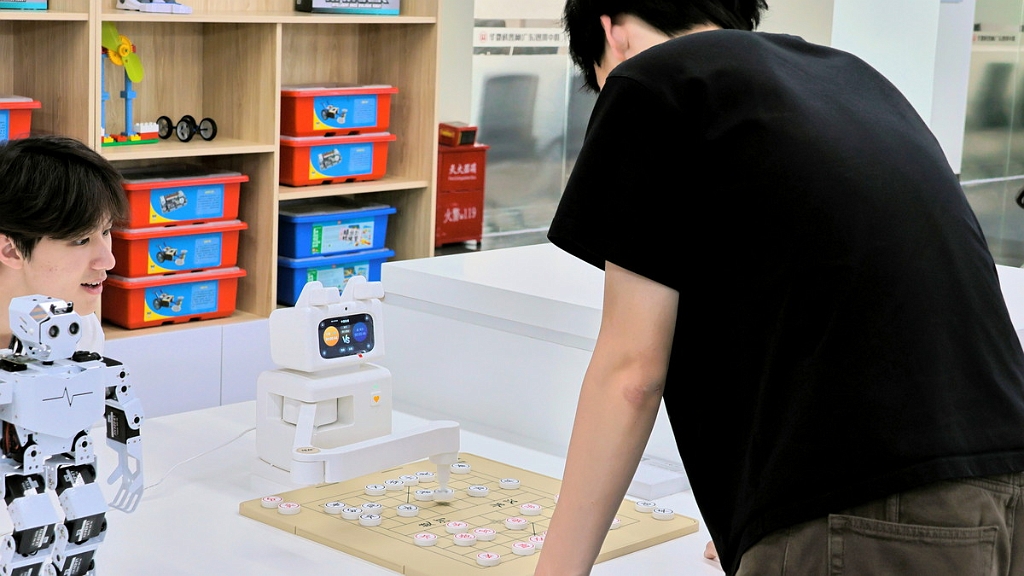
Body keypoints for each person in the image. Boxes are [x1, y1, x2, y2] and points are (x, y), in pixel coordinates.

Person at [535, 2, 1024, 576]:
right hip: (998, 484)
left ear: (609, 31)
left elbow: (631, 374)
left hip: (869, 510)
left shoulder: (650, 81)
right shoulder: (848, 77)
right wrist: (769, 522)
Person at [0, 135, 127, 353]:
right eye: (81, 240)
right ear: (10, 250)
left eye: (106, 231)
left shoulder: (78, 329)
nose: (109, 261)